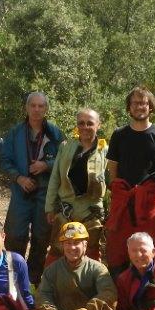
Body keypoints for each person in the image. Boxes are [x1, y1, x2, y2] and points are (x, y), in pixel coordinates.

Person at [104, 86, 155, 275]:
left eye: (143, 103)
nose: (139, 106)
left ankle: (149, 294)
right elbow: (113, 168)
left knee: (150, 246)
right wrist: (118, 190)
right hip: (122, 198)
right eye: (135, 103)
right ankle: (119, 295)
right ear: (129, 107)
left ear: (150, 107)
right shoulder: (119, 135)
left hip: (149, 200)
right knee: (117, 248)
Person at [0, 91, 64, 283]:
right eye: (33, 106)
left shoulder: (55, 133)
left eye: (40, 106)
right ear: (26, 108)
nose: (36, 110)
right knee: (14, 235)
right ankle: (12, 278)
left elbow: (64, 160)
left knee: (41, 237)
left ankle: (33, 281)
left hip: (45, 193)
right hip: (21, 192)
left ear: (46, 109)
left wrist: (46, 165)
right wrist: (19, 178)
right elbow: (5, 160)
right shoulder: (15, 133)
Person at [45, 108, 108, 261]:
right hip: (66, 210)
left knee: (91, 255)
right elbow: (55, 178)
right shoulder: (66, 147)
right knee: (57, 252)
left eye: (90, 123)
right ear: (76, 126)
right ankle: (50, 284)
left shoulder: (106, 151)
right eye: (81, 123)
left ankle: (90, 285)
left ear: (98, 125)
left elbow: (112, 183)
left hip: (92, 213)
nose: (85, 127)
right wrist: (49, 207)